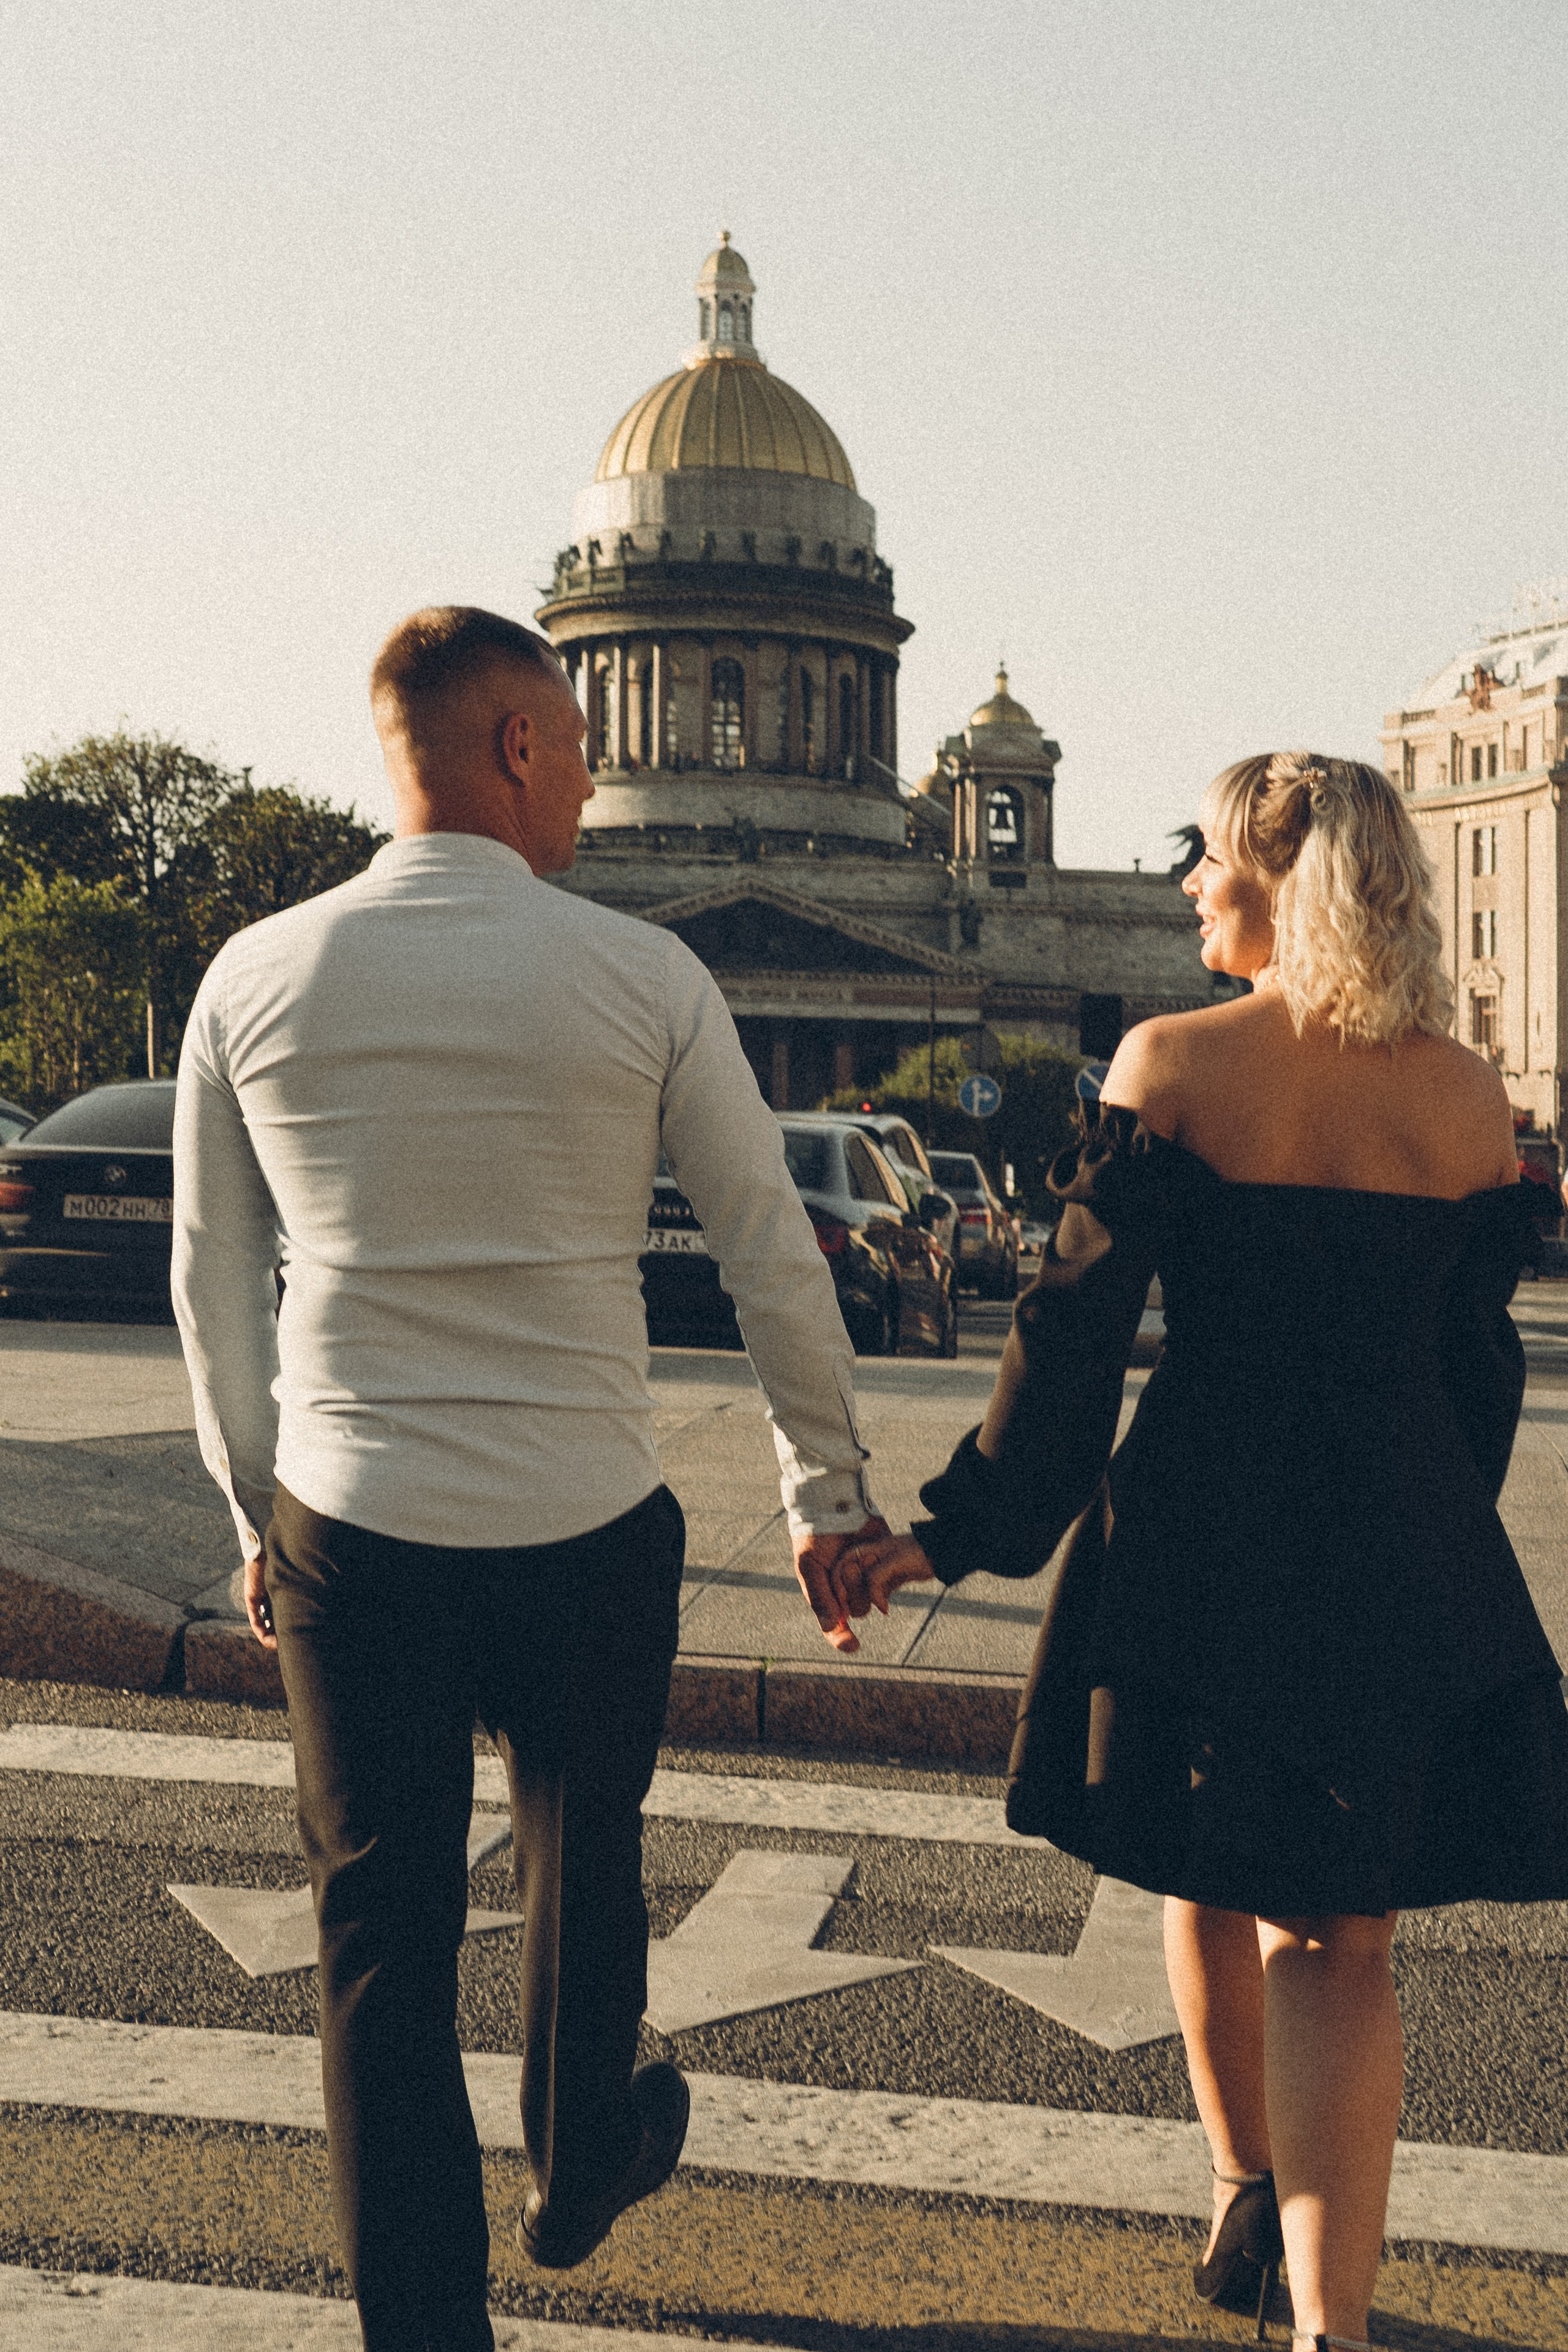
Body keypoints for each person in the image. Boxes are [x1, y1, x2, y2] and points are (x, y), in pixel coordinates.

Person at [172, 606, 881, 2352]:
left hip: (356, 1521)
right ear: (511, 746)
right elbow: (770, 1253)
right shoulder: (643, 980)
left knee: (381, 1952)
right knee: (589, 1851)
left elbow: (212, 1284)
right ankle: (579, 2158)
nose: (587, 778)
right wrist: (827, 1497)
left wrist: (251, 1510)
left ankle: (427, 2330)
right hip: (583, 1518)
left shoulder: (255, 976)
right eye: (572, 743)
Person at [839, 751, 1568, 2351]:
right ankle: (1331, 2324)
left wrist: (956, 1536)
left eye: (1212, 864)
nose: (1187, 889)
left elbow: (1068, 1342)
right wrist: (1438, 1525)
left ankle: (1241, 2174)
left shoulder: (1170, 1063)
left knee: (1203, 1859)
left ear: (1279, 882)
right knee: (1345, 1940)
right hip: (1398, 1542)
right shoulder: (1464, 1097)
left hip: (1202, 1536)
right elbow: (1481, 1364)